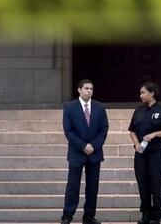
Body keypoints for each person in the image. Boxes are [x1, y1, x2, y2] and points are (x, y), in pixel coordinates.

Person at [61, 79, 109, 224]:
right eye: (86, 88)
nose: (89, 91)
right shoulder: (70, 107)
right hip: (77, 153)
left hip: (94, 153)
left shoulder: (99, 107)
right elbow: (68, 131)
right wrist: (83, 146)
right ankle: (67, 216)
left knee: (92, 186)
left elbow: (104, 129)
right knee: (73, 186)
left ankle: (89, 216)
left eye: (91, 89)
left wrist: (93, 145)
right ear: (79, 90)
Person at [128, 81, 161, 224]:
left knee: (156, 183)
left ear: (152, 93)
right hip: (141, 153)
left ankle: (156, 215)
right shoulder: (138, 111)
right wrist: (136, 144)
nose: (141, 95)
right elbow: (132, 130)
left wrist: (155, 134)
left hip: (156, 153)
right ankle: (145, 214)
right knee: (143, 183)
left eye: (143, 92)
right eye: (141, 93)